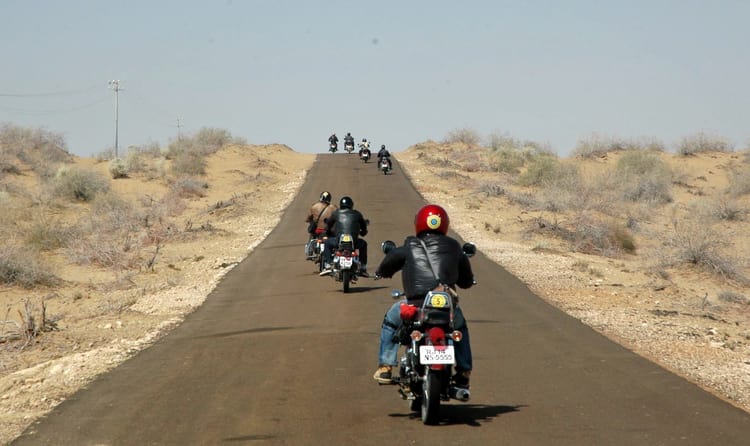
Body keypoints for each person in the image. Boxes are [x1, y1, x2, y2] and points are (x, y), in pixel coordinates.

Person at [372, 204, 474, 388]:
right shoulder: (453, 246)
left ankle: (386, 366)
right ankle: (464, 371)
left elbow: (390, 261)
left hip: (416, 305)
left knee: (390, 321)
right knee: (460, 328)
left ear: (418, 223)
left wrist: (381, 271)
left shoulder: (410, 245)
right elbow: (466, 280)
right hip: (446, 307)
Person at [320, 196, 369, 277]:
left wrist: (328, 232)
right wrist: (363, 232)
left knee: (327, 243)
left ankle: (328, 265)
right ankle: (363, 267)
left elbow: (329, 225)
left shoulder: (336, 213)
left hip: (339, 242)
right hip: (354, 242)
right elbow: (364, 227)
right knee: (364, 244)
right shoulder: (357, 214)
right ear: (351, 205)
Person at [305, 191, 337, 258]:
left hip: (318, 230)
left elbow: (308, 218)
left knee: (312, 232)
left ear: (320, 197)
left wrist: (309, 220)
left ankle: (310, 250)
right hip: (329, 231)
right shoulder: (334, 207)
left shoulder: (314, 206)